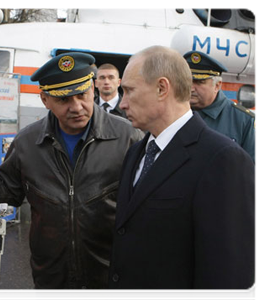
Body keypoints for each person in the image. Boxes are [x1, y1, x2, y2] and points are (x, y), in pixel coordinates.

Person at [0, 52, 142, 300]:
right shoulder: (28, 143)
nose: (77, 106)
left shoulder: (128, 138)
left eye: (82, 95)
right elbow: (8, 189)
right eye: (64, 99)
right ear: (45, 99)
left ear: (93, 89)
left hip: (111, 280)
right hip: (53, 281)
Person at [107, 46, 258, 300]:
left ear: (162, 88)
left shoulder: (223, 160)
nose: (122, 103)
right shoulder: (136, 153)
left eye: (129, 91)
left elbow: (227, 277)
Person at [183, 50, 259, 171]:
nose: (191, 88)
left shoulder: (243, 120)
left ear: (217, 85)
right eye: (189, 81)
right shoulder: (173, 113)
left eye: (199, 82)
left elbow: (256, 169)